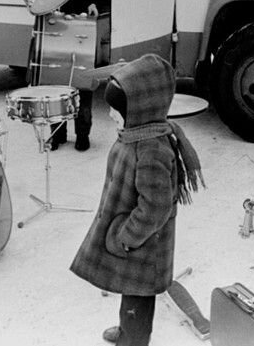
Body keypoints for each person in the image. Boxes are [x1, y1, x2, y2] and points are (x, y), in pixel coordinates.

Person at [70, 54, 204, 346]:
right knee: (129, 289)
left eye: (116, 111)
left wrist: (126, 237)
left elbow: (156, 205)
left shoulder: (152, 148)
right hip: (135, 240)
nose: (110, 115)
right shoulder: (136, 134)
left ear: (139, 109)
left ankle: (133, 340)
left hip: (143, 242)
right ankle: (126, 330)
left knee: (138, 297)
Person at [34, 0, 109, 151]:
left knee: (82, 78)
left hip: (79, 21)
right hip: (53, 20)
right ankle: (57, 135)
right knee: (55, 80)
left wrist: (95, 3)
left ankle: (83, 133)